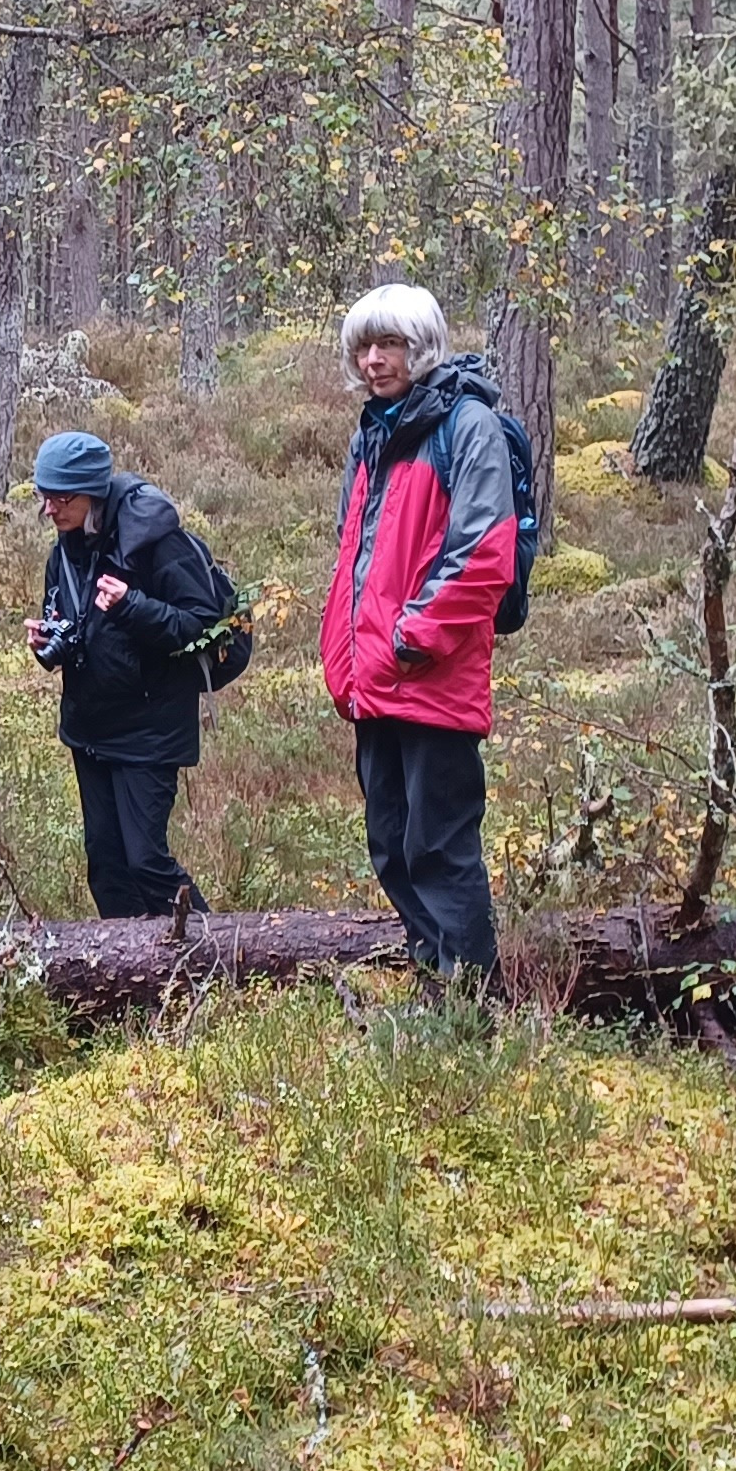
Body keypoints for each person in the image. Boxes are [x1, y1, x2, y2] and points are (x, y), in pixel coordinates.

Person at [320, 284, 519, 989]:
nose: (375, 361)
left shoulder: (467, 428)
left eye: (391, 345)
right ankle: (436, 985)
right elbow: (355, 555)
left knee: (439, 848)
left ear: (421, 347)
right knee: (391, 848)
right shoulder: (375, 430)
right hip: (375, 680)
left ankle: (470, 1005)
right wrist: (345, 653)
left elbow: (484, 554)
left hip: (430, 679)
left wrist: (413, 637)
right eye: (365, 348)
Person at [24, 430, 226, 917]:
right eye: (43, 497)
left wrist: (131, 605)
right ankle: (127, 977)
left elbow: (204, 626)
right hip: (90, 728)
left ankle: (213, 957)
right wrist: (48, 645)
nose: (50, 510)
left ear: (92, 491)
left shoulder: (158, 543)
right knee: (106, 865)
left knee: (146, 861)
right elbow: (74, 622)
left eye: (61, 498)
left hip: (149, 731)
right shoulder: (65, 547)